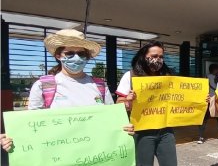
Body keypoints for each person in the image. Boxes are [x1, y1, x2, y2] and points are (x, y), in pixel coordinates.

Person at [1, 29, 134, 152]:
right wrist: (13, 139)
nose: (76, 58)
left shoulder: (99, 85)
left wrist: (124, 128)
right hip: (59, 156)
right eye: (69, 53)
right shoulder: (43, 86)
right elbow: (31, 126)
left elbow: (111, 120)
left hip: (95, 154)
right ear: (58, 55)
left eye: (81, 54)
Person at [116, 41, 177, 166]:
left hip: (166, 130)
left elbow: (178, 99)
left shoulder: (167, 76)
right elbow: (118, 103)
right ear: (144, 56)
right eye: (154, 56)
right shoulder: (131, 76)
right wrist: (128, 100)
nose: (158, 59)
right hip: (142, 131)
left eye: (161, 57)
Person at [197, 63, 218, 144]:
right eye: (217, 69)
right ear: (214, 69)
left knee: (205, 119)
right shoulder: (211, 77)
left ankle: (200, 136)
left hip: (210, 99)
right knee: (217, 118)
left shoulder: (208, 77)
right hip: (212, 99)